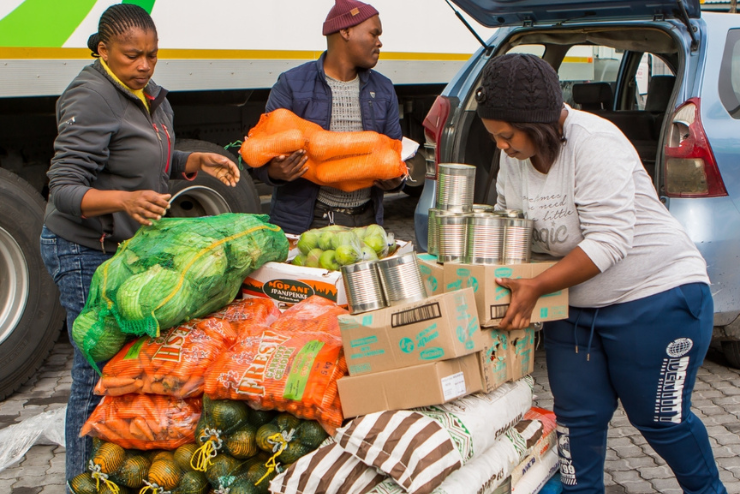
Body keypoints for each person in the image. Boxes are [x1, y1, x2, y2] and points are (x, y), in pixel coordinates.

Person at [476, 54, 726, 493]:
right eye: (494, 136)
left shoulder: (595, 142)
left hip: (657, 296)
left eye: (507, 135)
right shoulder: (515, 159)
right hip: (575, 308)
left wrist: (535, 286)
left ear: (536, 122)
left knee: (660, 420)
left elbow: (609, 240)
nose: (502, 147)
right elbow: (508, 222)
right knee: (576, 423)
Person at [39, 4, 240, 487]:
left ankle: (116, 475)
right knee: (96, 373)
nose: (145, 65)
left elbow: (145, 156)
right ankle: (81, 480)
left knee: (126, 367)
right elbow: (63, 189)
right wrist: (123, 200)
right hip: (83, 249)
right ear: (103, 49)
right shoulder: (90, 97)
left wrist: (192, 160)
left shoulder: (146, 93)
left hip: (121, 251)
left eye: (152, 55)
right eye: (133, 56)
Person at [252, 0, 404, 235]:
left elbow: (396, 150)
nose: (379, 42)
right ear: (345, 31)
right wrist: (274, 172)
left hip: (366, 223)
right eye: (374, 33)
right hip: (307, 224)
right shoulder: (292, 84)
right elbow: (259, 154)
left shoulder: (383, 89)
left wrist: (398, 179)